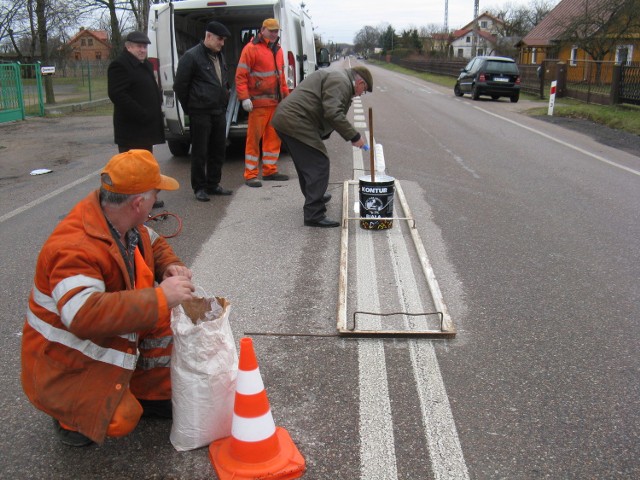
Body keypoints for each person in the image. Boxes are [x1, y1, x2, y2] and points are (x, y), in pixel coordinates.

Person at [21, 149, 195, 447]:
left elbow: (151, 241)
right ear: (139, 203)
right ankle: (69, 415)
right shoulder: (75, 247)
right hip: (67, 358)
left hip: (100, 336)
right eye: (155, 194)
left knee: (163, 317)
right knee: (120, 418)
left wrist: (169, 265)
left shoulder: (120, 220)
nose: (157, 201)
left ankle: (151, 394)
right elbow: (82, 315)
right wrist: (159, 298)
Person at [271, 66, 372, 227]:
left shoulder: (339, 77)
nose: (361, 93)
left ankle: (315, 197)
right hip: (296, 121)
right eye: (364, 89)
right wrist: (354, 136)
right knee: (319, 163)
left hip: (289, 120)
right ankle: (314, 214)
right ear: (360, 82)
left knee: (308, 165)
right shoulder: (341, 81)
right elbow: (333, 112)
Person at [174, 21, 233, 202]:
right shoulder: (191, 57)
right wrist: (191, 108)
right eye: (219, 39)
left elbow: (221, 80)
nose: (222, 43)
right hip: (200, 112)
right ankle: (199, 187)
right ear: (208, 36)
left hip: (218, 111)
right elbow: (180, 86)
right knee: (200, 152)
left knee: (218, 149)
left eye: (223, 40)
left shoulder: (219, 56)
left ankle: (213, 184)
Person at [108, 31, 166, 209]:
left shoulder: (145, 65)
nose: (142, 50)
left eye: (145, 47)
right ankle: (131, 204)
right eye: (139, 46)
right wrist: (141, 113)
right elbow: (118, 94)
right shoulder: (120, 65)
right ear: (128, 47)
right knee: (131, 170)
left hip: (146, 128)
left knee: (145, 166)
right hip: (131, 128)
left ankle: (147, 199)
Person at [235, 18, 290, 188]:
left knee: (273, 139)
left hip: (275, 103)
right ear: (262, 30)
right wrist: (244, 98)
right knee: (254, 139)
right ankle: (250, 175)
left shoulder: (278, 50)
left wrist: (286, 98)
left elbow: (281, 77)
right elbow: (241, 76)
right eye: (271, 30)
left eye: (276, 31)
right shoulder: (250, 49)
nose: (274, 34)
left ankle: (270, 170)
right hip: (258, 104)